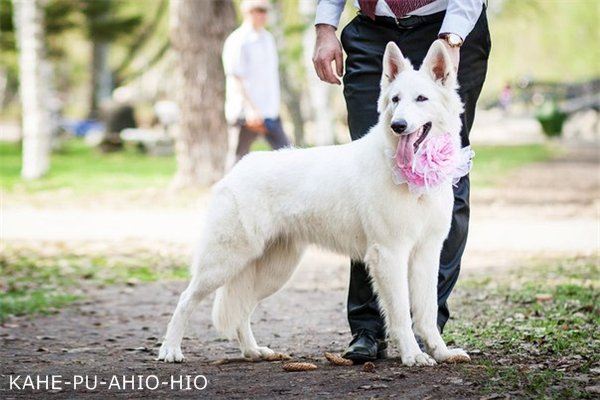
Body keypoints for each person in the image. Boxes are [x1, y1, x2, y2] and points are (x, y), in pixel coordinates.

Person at [313, 0, 491, 362]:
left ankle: (428, 324)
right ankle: (368, 328)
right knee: (369, 181)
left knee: (445, 173)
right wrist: (325, 26)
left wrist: (452, 39)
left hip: (448, 26)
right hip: (373, 31)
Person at [222, 0, 290, 169]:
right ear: (247, 12)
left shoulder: (268, 39)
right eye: (258, 10)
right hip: (246, 113)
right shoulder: (237, 40)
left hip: (270, 110)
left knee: (288, 153)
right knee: (238, 158)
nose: (263, 15)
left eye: (265, 11)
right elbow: (235, 77)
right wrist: (250, 108)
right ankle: (227, 193)